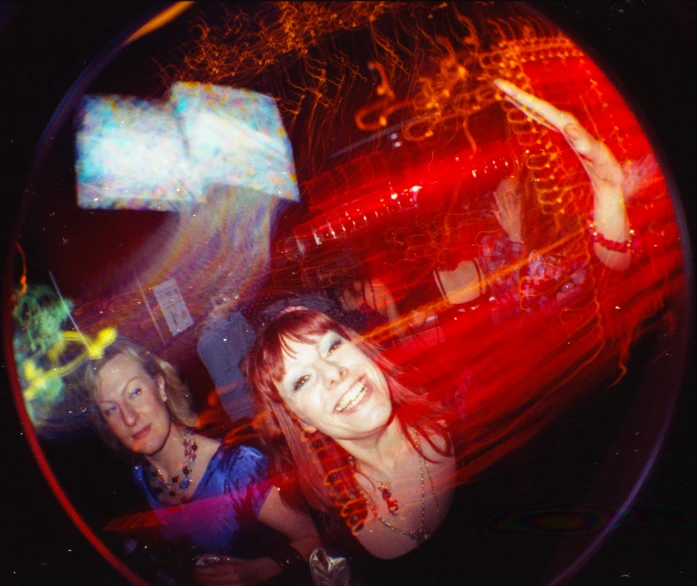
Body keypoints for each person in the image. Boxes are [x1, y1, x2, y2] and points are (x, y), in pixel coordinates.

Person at [245, 307, 463, 584]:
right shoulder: (330, 528)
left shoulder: (473, 422)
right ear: (301, 420)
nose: (333, 373)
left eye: (332, 347)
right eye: (302, 380)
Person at [84, 337, 320, 586]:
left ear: (160, 386)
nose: (129, 418)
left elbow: (314, 538)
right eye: (110, 409)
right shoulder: (140, 477)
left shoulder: (238, 469)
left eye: (135, 392)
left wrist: (261, 570)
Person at [197, 286, 258, 423]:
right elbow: (222, 386)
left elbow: (253, 341)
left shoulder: (237, 318)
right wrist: (242, 369)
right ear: (214, 302)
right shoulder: (210, 340)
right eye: (229, 294)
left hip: (260, 393)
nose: (237, 297)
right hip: (246, 411)